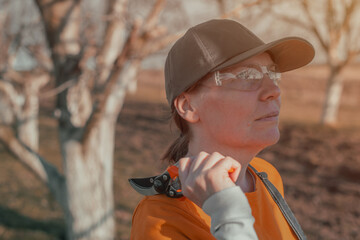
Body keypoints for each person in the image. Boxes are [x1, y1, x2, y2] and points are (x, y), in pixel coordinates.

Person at [130, 19, 315, 240]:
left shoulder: (264, 175)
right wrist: (227, 212)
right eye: (247, 75)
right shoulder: (161, 218)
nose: (274, 90)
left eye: (272, 73)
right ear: (188, 106)